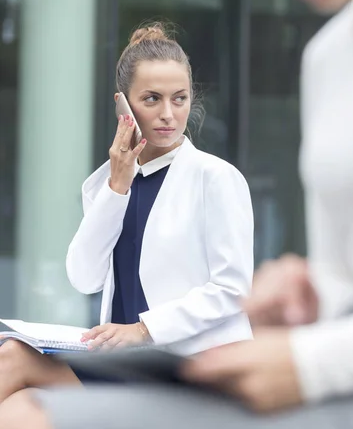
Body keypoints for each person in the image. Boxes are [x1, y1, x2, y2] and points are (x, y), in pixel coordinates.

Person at [5, 0, 353, 426]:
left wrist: (309, 362)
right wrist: (308, 289)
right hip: (316, 356)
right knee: (22, 402)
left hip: (346, 371)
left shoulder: (216, 178)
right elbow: (348, 272)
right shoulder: (329, 56)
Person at [0, 23, 253, 408]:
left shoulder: (215, 178)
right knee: (15, 374)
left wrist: (143, 329)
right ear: (124, 106)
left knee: (17, 374)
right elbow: (84, 278)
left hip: (186, 366)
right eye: (152, 99)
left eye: (180, 98)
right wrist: (117, 188)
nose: (169, 114)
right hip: (123, 364)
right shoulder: (106, 186)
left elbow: (232, 290)